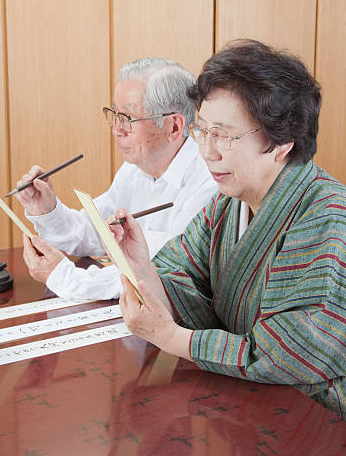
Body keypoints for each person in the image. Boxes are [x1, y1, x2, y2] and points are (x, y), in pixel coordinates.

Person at [111, 40, 346, 419]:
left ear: (281, 142)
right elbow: (178, 275)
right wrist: (141, 267)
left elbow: (287, 354)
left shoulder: (328, 216)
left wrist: (174, 338)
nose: (208, 151)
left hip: (318, 418)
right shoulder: (228, 205)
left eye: (223, 135)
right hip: (246, 402)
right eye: (202, 131)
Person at [20, 57, 217, 300]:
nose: (116, 129)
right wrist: (47, 210)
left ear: (174, 127)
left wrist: (63, 277)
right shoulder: (133, 170)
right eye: (114, 114)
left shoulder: (210, 182)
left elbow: (156, 274)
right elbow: (97, 233)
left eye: (127, 118)